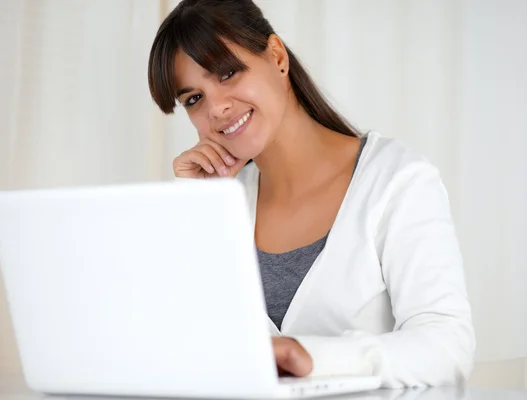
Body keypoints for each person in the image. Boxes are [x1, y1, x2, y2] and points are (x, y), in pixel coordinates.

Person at [147, 0, 475, 387]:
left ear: (277, 56)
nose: (217, 108)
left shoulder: (396, 181)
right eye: (193, 99)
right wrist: (196, 210)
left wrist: (308, 356)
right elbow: (178, 348)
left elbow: (447, 346)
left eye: (228, 73)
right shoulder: (224, 202)